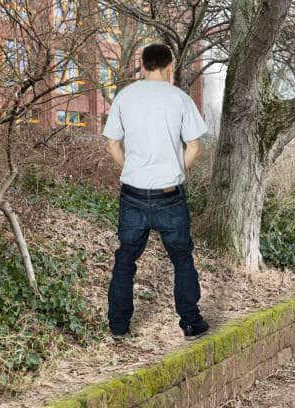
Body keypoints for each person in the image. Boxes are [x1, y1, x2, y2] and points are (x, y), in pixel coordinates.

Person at [103, 43, 209, 341]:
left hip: (133, 194)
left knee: (125, 259)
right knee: (182, 259)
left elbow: (111, 143)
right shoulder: (179, 99)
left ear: (143, 64)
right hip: (169, 195)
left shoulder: (125, 96)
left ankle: (119, 327)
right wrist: (175, 171)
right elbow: (195, 146)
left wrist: (131, 170)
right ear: (169, 66)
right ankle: (190, 322)